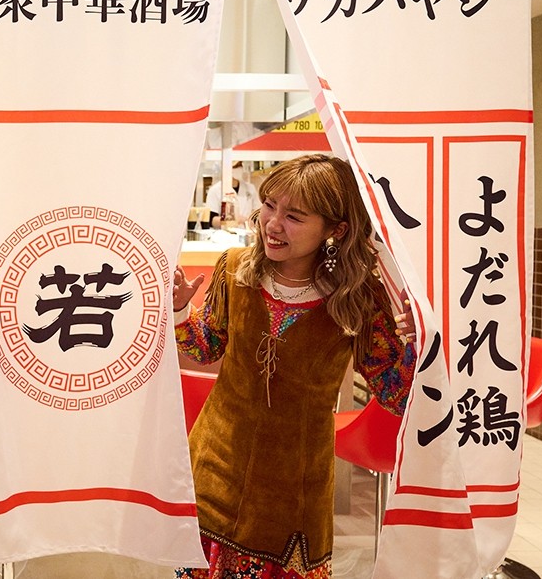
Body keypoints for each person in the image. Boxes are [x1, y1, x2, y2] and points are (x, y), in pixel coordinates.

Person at [172, 153, 416, 579]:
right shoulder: (234, 269)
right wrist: (179, 311)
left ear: (336, 229)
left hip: (294, 488)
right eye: (269, 206)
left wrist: (418, 346)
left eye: (295, 216)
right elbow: (207, 346)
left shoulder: (358, 297)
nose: (272, 223)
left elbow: (395, 394)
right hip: (214, 463)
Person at [205, 161, 261, 230]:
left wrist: (246, 220)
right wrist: (233, 220)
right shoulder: (215, 190)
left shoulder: (250, 188)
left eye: (240, 165)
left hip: (246, 234)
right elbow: (211, 220)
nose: (240, 168)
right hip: (224, 235)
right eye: (236, 166)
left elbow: (257, 215)